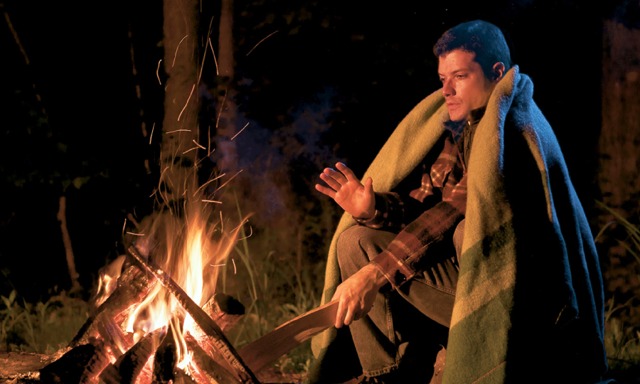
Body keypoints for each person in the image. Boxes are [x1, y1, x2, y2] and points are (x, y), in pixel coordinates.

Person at [308, 20, 609, 384]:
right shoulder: (462, 130)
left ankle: (477, 361)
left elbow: (456, 211)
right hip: (473, 289)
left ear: (497, 73)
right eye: (442, 79)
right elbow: (429, 209)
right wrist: (374, 210)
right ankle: (389, 374)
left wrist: (375, 274)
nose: (447, 90)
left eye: (461, 76)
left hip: (526, 312)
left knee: (465, 231)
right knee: (356, 240)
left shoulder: (511, 129)